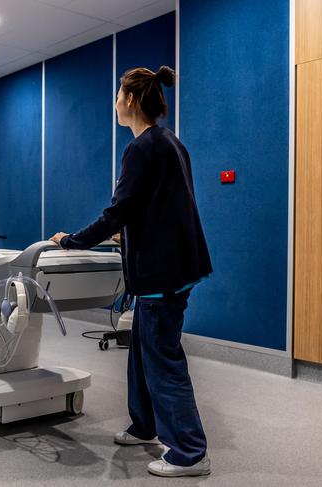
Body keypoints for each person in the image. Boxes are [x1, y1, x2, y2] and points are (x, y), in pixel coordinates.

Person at [50, 66, 212, 478]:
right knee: (142, 351)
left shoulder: (140, 149)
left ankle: (190, 452)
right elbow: (164, 206)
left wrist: (71, 241)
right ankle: (145, 427)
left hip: (161, 273)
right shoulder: (169, 142)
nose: (115, 101)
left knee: (162, 359)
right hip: (175, 265)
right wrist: (132, 235)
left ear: (132, 100)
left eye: (118, 94)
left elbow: (118, 211)